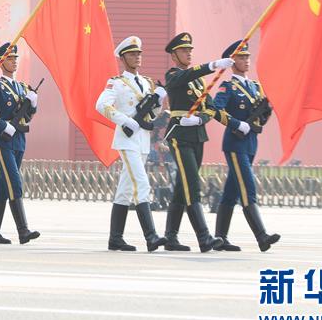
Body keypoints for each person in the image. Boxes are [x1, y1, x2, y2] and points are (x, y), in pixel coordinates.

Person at [95, 36, 168, 251]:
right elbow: (101, 105)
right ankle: (151, 236)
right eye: (132, 54)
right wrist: (126, 121)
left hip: (143, 140)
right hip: (127, 140)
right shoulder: (116, 83)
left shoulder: (146, 82)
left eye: (139, 53)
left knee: (125, 191)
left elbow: (152, 113)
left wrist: (159, 100)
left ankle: (115, 239)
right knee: (141, 185)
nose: (137, 57)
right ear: (123, 57)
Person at [162, 33, 229, 252]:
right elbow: (186, 77)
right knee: (192, 185)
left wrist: (200, 118)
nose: (188, 53)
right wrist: (212, 65)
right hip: (179, 136)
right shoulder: (173, 75)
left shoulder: (199, 82)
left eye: (190, 50)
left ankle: (170, 238)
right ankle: (204, 237)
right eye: (184, 50)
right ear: (174, 55)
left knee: (183, 188)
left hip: (197, 135)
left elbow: (210, 107)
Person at [212, 40, 281, 252]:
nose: (246, 60)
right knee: (248, 188)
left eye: (247, 56)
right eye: (241, 57)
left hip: (251, 143)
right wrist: (237, 124)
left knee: (231, 192)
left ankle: (220, 238)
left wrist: (265, 113)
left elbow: (261, 119)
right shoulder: (228, 86)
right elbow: (216, 109)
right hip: (234, 143)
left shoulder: (256, 87)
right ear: (233, 62)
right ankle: (261, 236)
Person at [0, 42, 40, 244]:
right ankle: (23, 231)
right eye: (10, 58)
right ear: (1, 62)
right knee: (14, 183)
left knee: (3, 187)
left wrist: (33, 104)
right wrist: (2, 125)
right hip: (3, 141)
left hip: (19, 140)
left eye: (16, 58)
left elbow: (28, 116)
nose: (14, 61)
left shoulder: (22, 87)